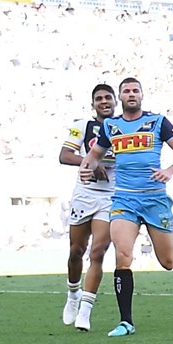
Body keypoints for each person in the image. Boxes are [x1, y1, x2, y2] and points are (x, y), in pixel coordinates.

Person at [76, 77, 173, 337]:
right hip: (124, 200)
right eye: (126, 91)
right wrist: (87, 169)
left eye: (135, 91)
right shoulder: (111, 126)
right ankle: (126, 321)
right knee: (123, 255)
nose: (131, 94)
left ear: (141, 95)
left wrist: (169, 171)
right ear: (121, 97)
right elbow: (94, 156)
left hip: (154, 199)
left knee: (168, 263)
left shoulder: (157, 122)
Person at [60, 84, 116, 329]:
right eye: (99, 98)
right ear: (93, 104)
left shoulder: (125, 127)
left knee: (98, 252)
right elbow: (64, 155)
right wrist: (90, 162)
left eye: (108, 98)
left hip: (112, 197)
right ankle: (73, 294)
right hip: (85, 194)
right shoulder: (82, 126)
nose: (104, 101)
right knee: (76, 251)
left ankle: (85, 310)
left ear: (115, 102)